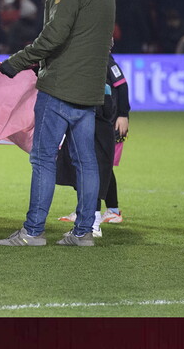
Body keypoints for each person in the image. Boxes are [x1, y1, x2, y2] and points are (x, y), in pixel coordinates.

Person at [0, 0, 115, 247]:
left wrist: (16, 63)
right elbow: (107, 41)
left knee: (43, 159)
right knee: (86, 161)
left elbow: (53, 37)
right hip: (90, 91)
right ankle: (83, 232)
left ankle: (33, 232)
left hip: (60, 87)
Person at [56, 51, 131, 237]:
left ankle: (97, 215)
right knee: (100, 166)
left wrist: (123, 115)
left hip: (108, 123)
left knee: (98, 166)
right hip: (97, 121)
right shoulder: (92, 59)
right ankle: (103, 210)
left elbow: (122, 86)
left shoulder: (106, 61)